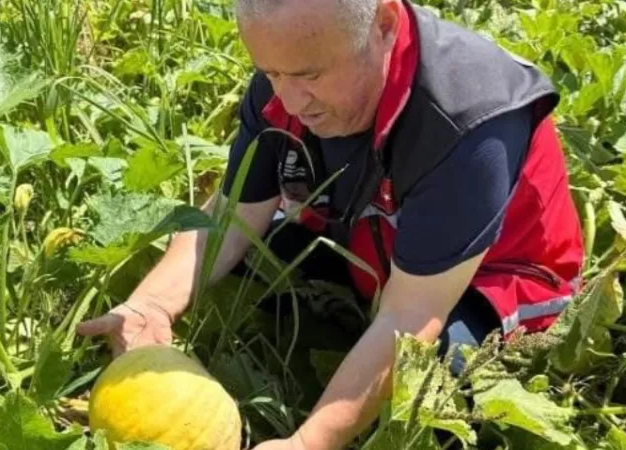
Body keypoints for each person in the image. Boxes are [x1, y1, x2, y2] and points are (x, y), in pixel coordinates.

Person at [77, 0, 585, 448]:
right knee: (246, 260)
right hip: (368, 241)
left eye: (311, 76)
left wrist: (309, 441)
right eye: (271, 73)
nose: (289, 101)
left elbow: (412, 315)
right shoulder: (288, 68)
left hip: (492, 280)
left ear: (383, 24)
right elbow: (233, 214)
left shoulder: (471, 118)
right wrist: (150, 305)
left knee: (425, 395)